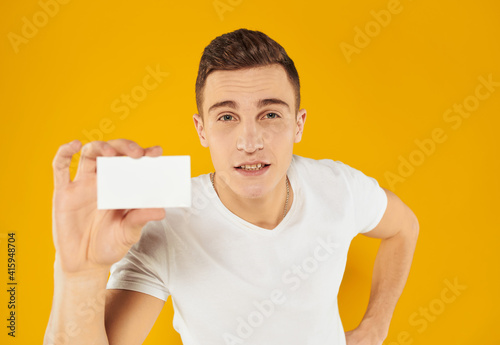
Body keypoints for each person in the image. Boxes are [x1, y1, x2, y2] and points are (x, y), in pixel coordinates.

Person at [44, 28, 419, 345]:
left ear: (299, 124)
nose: (249, 140)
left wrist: (376, 324)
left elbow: (405, 228)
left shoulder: (339, 187)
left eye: (270, 114)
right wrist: (80, 277)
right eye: (227, 116)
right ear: (201, 130)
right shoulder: (165, 219)